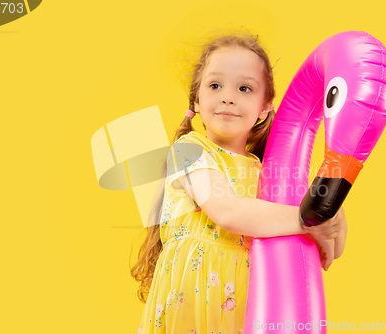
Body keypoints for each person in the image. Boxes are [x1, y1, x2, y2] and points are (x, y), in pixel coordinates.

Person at [130, 30, 348, 333]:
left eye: (245, 88)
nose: (228, 97)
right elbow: (228, 212)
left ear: (265, 106)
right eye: (215, 85)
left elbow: (329, 254)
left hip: (245, 307)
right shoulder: (190, 151)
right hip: (194, 304)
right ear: (196, 97)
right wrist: (309, 218)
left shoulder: (269, 174)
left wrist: (333, 217)